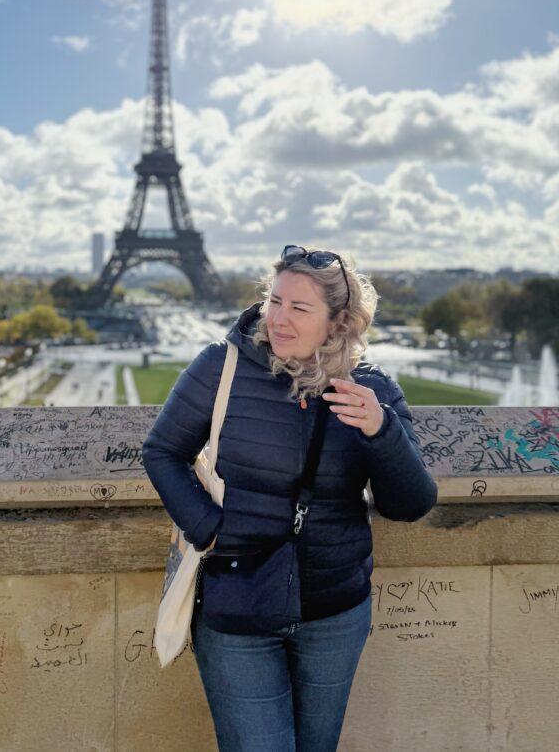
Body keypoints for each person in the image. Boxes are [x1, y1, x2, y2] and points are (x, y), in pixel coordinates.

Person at [142, 245, 438, 752]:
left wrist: (380, 429)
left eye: (299, 308)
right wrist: (212, 528)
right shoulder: (221, 367)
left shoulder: (371, 389)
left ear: (338, 322)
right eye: (275, 301)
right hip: (239, 607)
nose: (278, 318)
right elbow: (162, 451)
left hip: (334, 614)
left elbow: (409, 504)